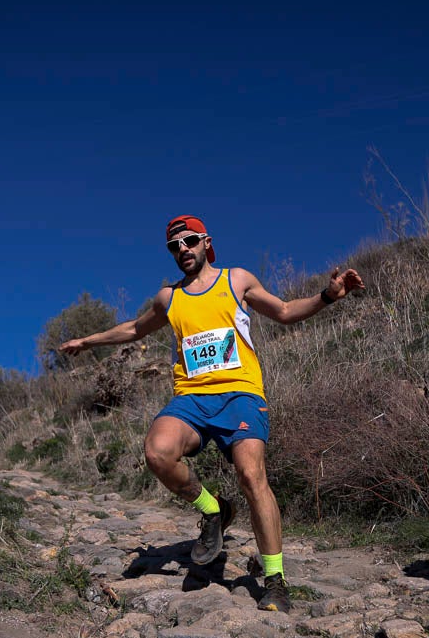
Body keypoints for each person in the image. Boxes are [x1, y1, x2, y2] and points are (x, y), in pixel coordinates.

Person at [60, 215, 365, 613]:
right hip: (191, 398)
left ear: (206, 242)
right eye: (174, 246)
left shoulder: (236, 280)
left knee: (251, 476)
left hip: (240, 393)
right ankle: (213, 509)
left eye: (189, 241)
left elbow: (286, 310)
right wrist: (87, 340)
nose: (182, 250)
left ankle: (275, 579)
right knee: (157, 453)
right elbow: (135, 329)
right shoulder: (169, 298)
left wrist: (327, 296)